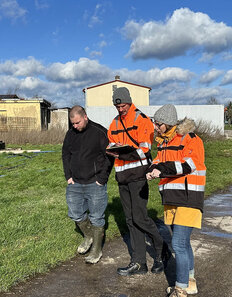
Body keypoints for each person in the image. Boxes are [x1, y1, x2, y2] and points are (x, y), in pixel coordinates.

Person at [146, 104, 206, 297]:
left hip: (188, 198)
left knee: (178, 244)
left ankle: (180, 288)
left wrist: (161, 170)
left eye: (158, 123)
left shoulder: (190, 139)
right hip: (171, 198)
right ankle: (190, 282)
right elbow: (158, 161)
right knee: (184, 243)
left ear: (168, 123)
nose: (155, 127)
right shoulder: (163, 142)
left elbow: (188, 165)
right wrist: (150, 169)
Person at [107, 87, 165, 276]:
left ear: (129, 102)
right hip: (122, 176)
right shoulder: (114, 123)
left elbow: (145, 148)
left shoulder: (141, 119)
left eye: (123, 105)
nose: (120, 109)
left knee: (140, 218)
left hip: (139, 175)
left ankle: (161, 250)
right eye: (117, 106)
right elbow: (110, 145)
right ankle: (139, 262)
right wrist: (113, 151)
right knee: (131, 220)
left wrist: (126, 153)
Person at [62, 105, 113, 264]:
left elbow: (110, 156)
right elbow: (65, 155)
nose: (75, 126)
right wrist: (68, 176)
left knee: (97, 217)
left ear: (85, 117)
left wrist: (102, 179)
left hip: (95, 183)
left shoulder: (99, 132)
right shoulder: (70, 134)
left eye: (77, 123)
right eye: (73, 124)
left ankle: (96, 250)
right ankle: (88, 236)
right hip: (75, 183)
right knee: (75, 213)